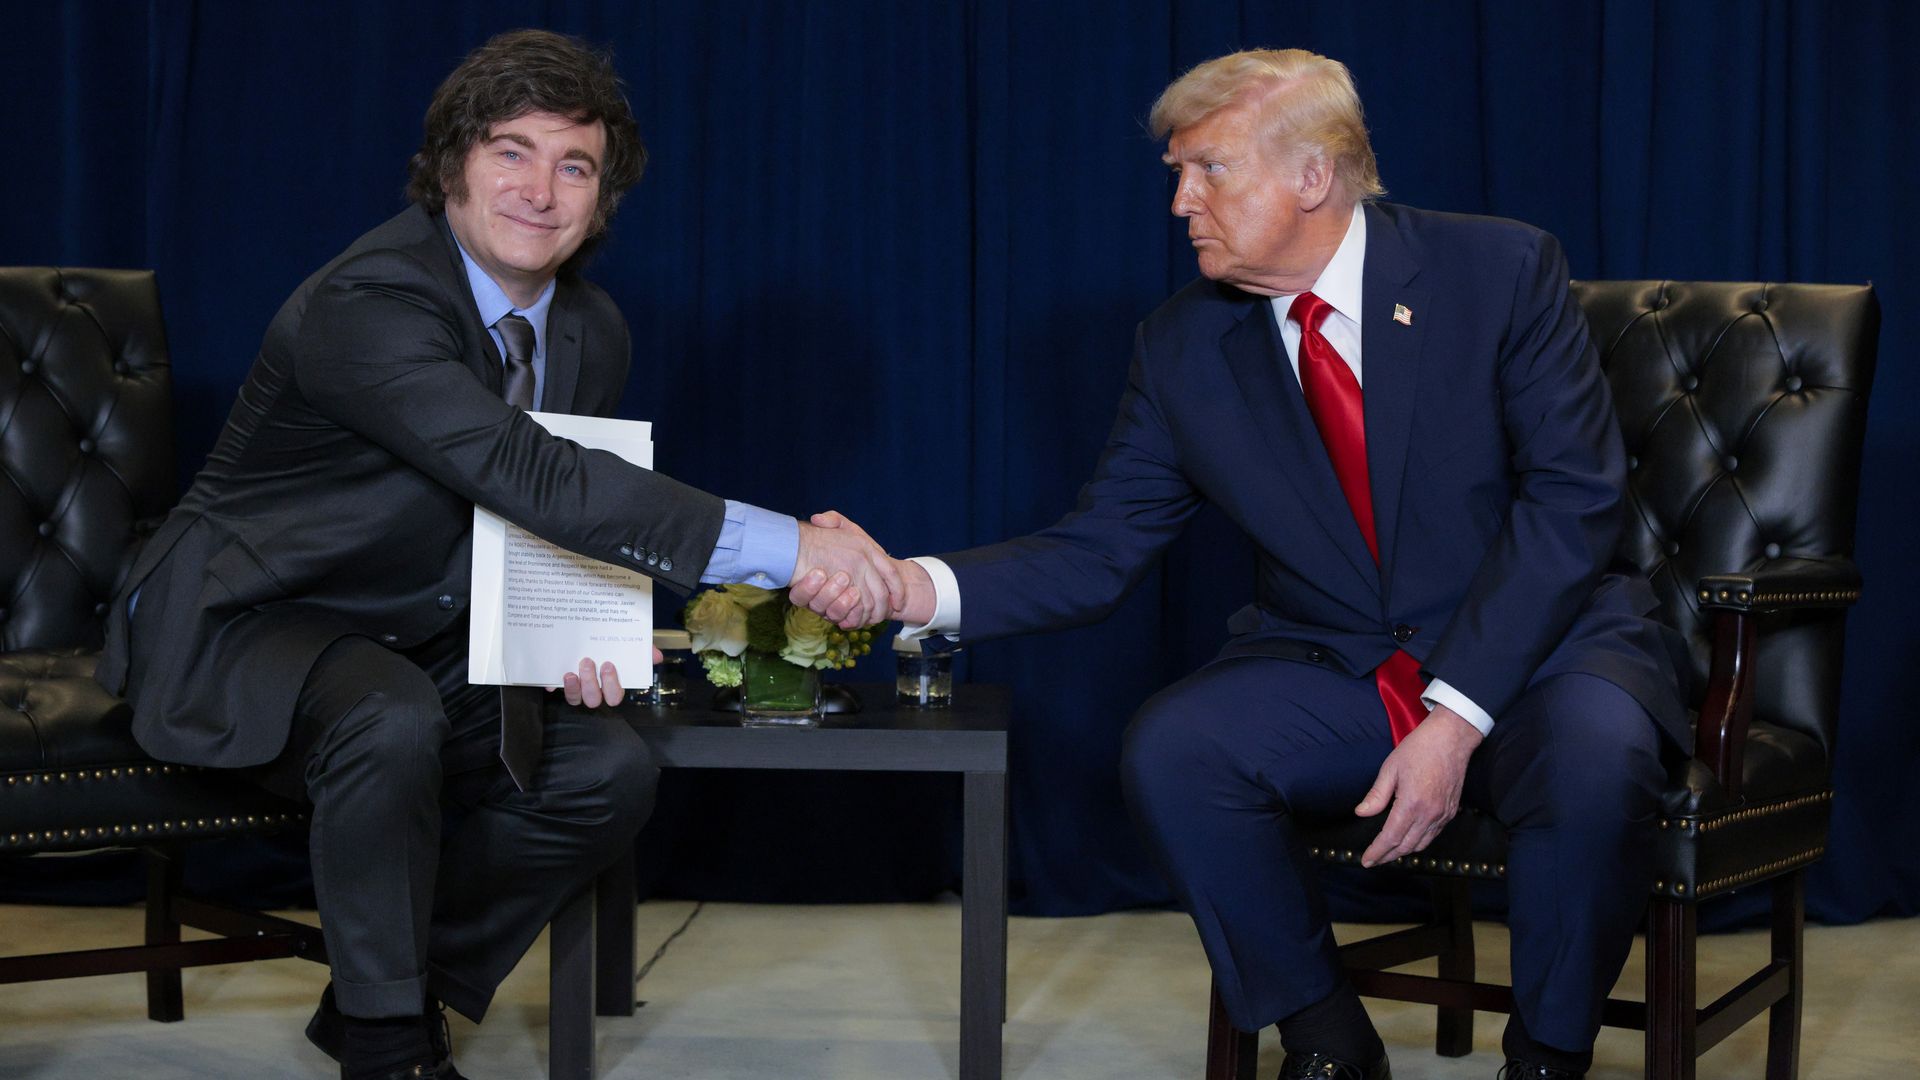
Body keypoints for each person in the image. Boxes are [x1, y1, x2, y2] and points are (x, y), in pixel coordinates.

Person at [829, 48, 1689, 1080]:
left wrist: (1456, 718)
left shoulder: (1499, 270)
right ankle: (1327, 1044)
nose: (1181, 202)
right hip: (1343, 666)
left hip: (1540, 652)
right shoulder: (1180, 347)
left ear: (1313, 175)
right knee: (1178, 750)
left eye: (1210, 170)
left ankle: (1547, 1057)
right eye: (1177, 174)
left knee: (1597, 759)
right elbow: (1097, 551)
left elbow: (1573, 502)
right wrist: (906, 585)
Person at [95, 29, 898, 1080]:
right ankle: (390, 1049)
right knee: (386, 714)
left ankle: (389, 988)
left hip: (414, 629)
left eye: (576, 166)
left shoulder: (592, 330)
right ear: (450, 169)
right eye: (511, 151)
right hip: (245, 617)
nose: (541, 190)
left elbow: (539, 521)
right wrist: (790, 549)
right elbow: (531, 472)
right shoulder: (368, 302)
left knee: (605, 769)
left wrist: (566, 636)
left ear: (602, 200)